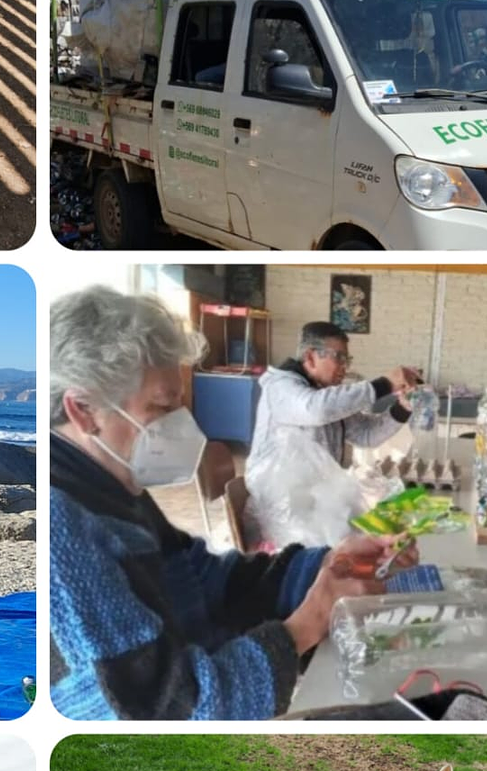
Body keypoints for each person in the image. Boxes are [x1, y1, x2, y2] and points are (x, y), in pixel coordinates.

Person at [49, 287, 413, 720]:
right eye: (161, 407)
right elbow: (163, 711)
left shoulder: (114, 486)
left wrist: (326, 564)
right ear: (85, 411)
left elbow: (204, 581)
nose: (181, 425)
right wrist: (302, 627)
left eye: (179, 404)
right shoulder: (62, 530)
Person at [246, 321, 420, 480]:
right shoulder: (280, 387)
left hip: (316, 496)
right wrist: (385, 384)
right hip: (277, 500)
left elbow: (366, 435)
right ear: (310, 357)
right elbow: (315, 410)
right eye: (339, 358)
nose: (345, 367)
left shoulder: (326, 395)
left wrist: (402, 408)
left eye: (347, 360)